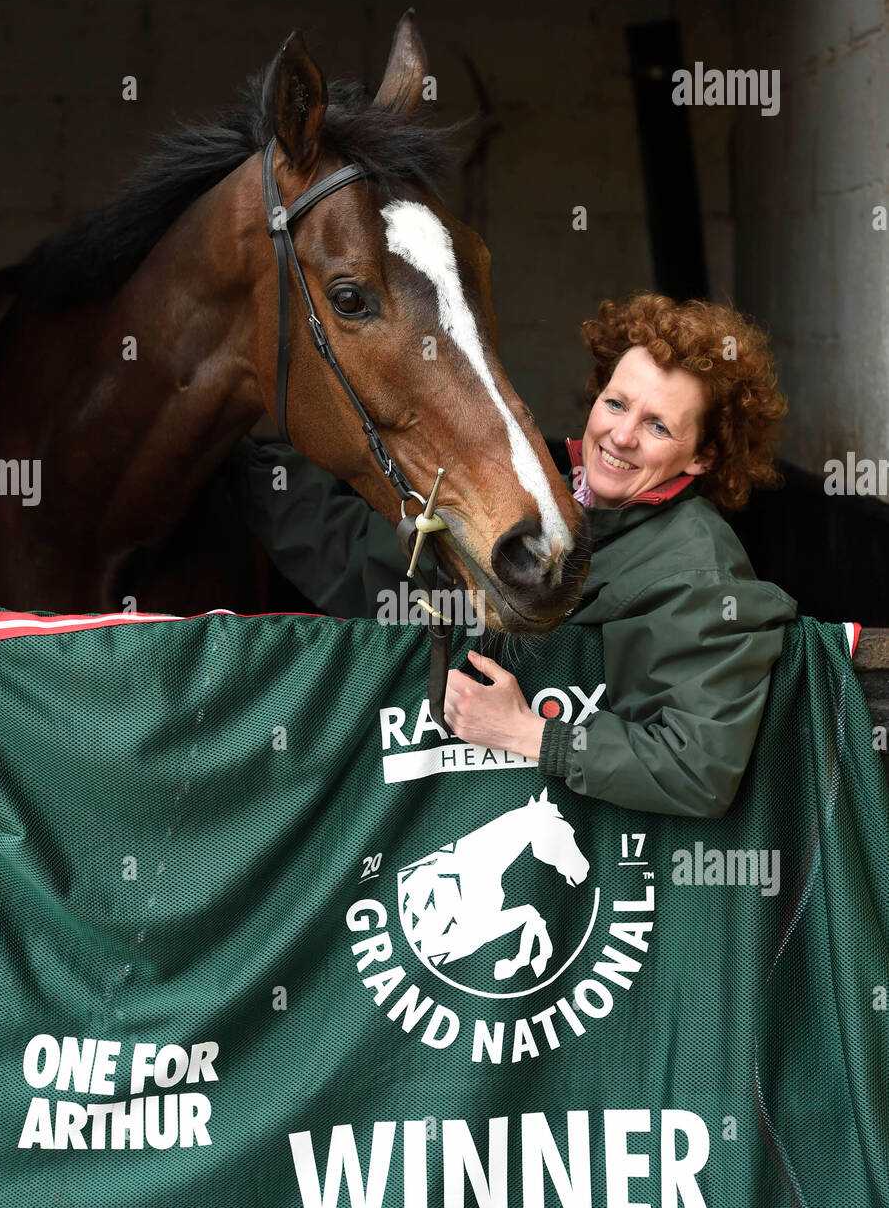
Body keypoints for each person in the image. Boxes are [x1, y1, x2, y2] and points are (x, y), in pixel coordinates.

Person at [223, 293, 798, 817]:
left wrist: (528, 733)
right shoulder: (556, 500)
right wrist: (248, 458)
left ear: (701, 457)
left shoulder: (700, 568)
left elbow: (697, 770)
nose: (621, 436)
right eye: (616, 403)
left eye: (657, 426)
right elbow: (387, 565)